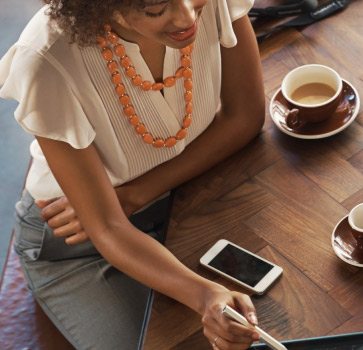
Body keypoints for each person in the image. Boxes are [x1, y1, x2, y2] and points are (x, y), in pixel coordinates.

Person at [0, 0, 265, 348]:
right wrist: (205, 296)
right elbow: (107, 227)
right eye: (155, 8)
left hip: (177, 197)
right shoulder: (47, 59)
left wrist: (135, 194)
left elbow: (244, 118)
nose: (187, 16)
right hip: (79, 244)